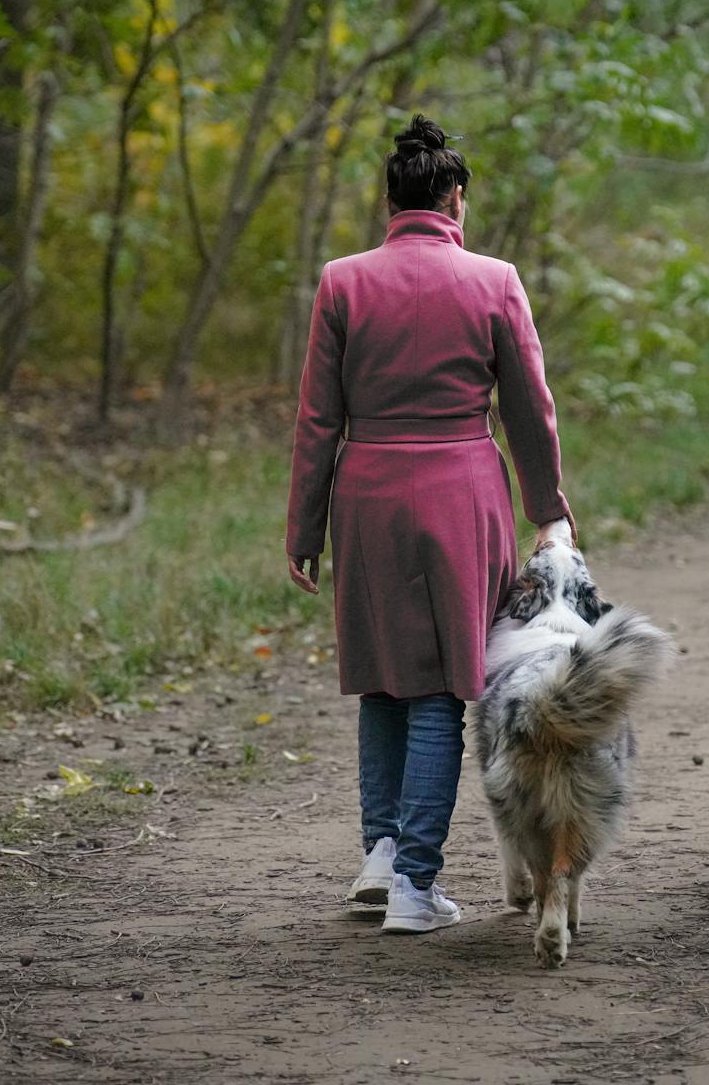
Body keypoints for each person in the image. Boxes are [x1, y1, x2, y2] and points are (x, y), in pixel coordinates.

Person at [287, 115, 575, 934]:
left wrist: (304, 526)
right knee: (443, 690)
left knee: (382, 678)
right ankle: (414, 884)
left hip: (367, 493)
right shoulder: (495, 279)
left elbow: (317, 419)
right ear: (456, 197)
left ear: (388, 201)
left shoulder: (343, 281)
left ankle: (381, 853)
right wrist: (548, 506)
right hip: (461, 492)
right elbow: (530, 410)